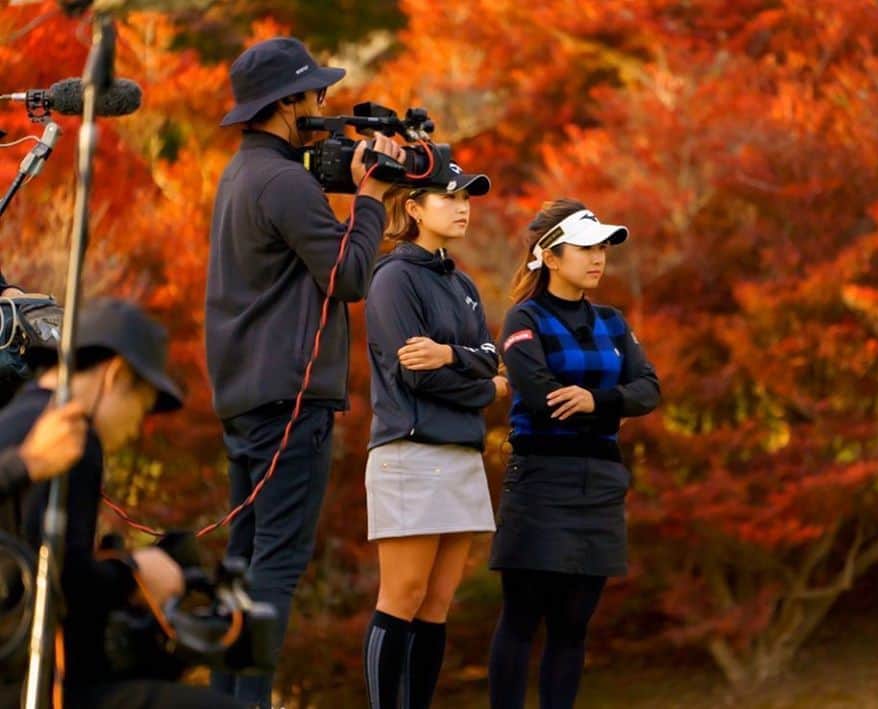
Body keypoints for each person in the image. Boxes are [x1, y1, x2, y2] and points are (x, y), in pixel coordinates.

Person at [204, 36, 405, 707]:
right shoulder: (286, 182)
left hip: (245, 394)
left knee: (243, 561)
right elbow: (348, 275)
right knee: (277, 565)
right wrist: (370, 199)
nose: (323, 103)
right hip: (290, 398)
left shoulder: (242, 174)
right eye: (316, 93)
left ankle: (227, 697)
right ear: (288, 103)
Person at [0, 297, 245, 708]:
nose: (135, 428)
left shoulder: (16, 417)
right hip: (37, 688)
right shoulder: (73, 438)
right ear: (115, 375)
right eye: (141, 407)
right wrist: (134, 575)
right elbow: (67, 582)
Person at [487, 200, 661, 709]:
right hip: (540, 480)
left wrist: (595, 401)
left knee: (573, 623)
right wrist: (614, 407)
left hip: (601, 482)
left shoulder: (612, 321)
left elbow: (649, 388)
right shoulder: (525, 317)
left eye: (602, 248)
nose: (598, 257)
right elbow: (542, 396)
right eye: (585, 248)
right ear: (551, 257)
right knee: (522, 617)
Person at [362, 163, 509, 708]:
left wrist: (450, 354)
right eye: (449, 197)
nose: (463, 207)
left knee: (437, 602)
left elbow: (492, 354)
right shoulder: (393, 277)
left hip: (461, 453)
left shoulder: (462, 283)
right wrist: (484, 388)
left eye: (467, 198)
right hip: (411, 451)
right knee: (403, 595)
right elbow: (417, 377)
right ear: (414, 209)